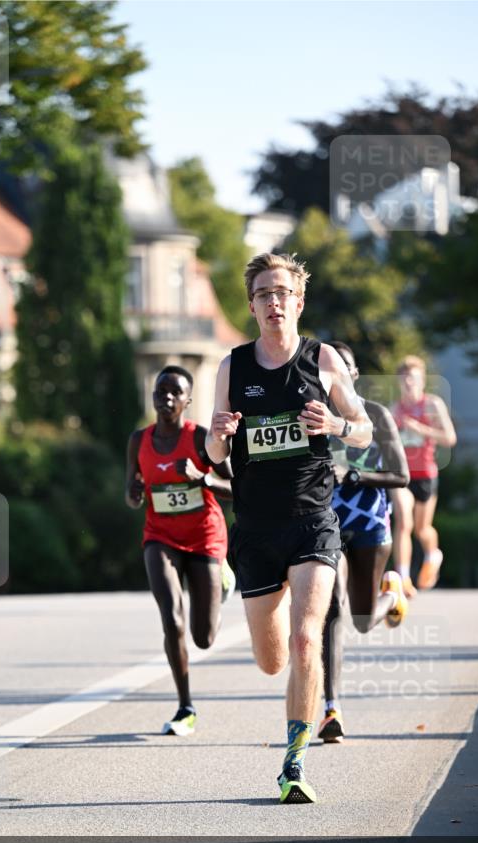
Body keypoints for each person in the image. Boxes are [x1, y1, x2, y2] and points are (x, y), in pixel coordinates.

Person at [206, 252, 372, 803]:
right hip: (255, 528)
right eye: (264, 294)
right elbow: (212, 452)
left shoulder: (323, 360)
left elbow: (365, 431)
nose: (274, 302)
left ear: (298, 301)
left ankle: (294, 764)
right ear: (251, 306)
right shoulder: (232, 367)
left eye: (283, 293)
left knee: (307, 639)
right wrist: (219, 435)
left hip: (313, 522)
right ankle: (252, 594)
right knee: (271, 659)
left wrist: (337, 422)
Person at [125, 365, 233, 736]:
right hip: (160, 536)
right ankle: (185, 706)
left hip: (205, 537)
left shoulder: (201, 437)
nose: (166, 397)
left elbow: (237, 488)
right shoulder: (139, 441)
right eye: (161, 390)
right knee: (172, 619)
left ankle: (224, 578)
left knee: (203, 638)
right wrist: (135, 494)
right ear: (153, 396)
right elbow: (131, 491)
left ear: (187, 400)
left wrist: (201, 477)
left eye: (175, 392)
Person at [319, 342, 410, 744]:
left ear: (353, 376)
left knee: (361, 618)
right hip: (327, 528)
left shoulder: (376, 415)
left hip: (372, 528)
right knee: (331, 609)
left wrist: (356, 477)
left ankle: (392, 598)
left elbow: (401, 475)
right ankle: (331, 707)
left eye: (344, 369)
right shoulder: (313, 418)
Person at [390, 356, 457, 596]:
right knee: (403, 521)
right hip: (403, 475)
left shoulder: (432, 405)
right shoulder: (394, 409)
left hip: (426, 474)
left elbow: (449, 438)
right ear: (399, 381)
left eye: (414, 378)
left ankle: (433, 554)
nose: (409, 382)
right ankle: (403, 577)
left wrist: (421, 429)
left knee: (422, 529)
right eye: (404, 378)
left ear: (422, 381)